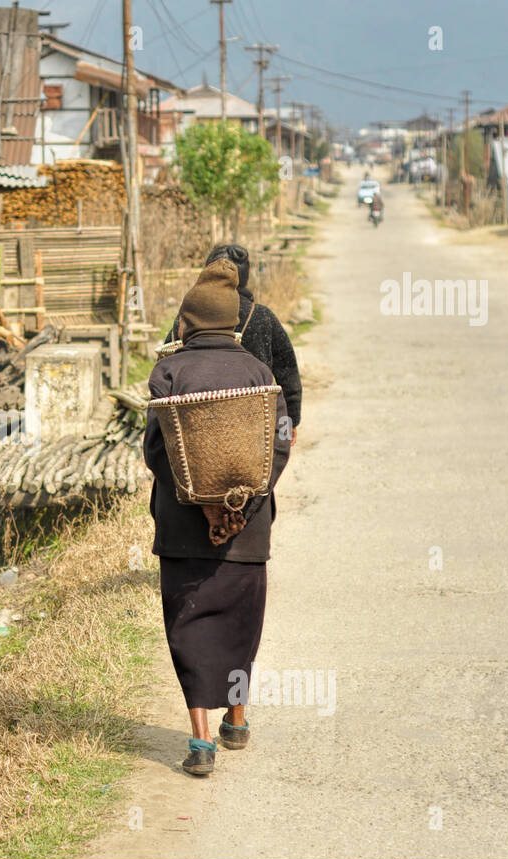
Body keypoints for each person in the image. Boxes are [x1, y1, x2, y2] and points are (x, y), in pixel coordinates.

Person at [144, 257, 292, 776]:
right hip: (247, 531)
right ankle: (238, 719)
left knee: (191, 628)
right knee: (238, 624)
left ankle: (201, 742)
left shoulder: (169, 371)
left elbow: (155, 453)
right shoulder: (259, 373)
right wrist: (242, 501)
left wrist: (197, 498)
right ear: (233, 324)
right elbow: (278, 447)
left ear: (188, 322)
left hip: (183, 532)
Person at [164, 244, 302, 442]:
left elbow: (166, 363)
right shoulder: (261, 316)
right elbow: (287, 374)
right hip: (254, 432)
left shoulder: (187, 317)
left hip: (196, 432)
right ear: (245, 277)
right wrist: (289, 424)